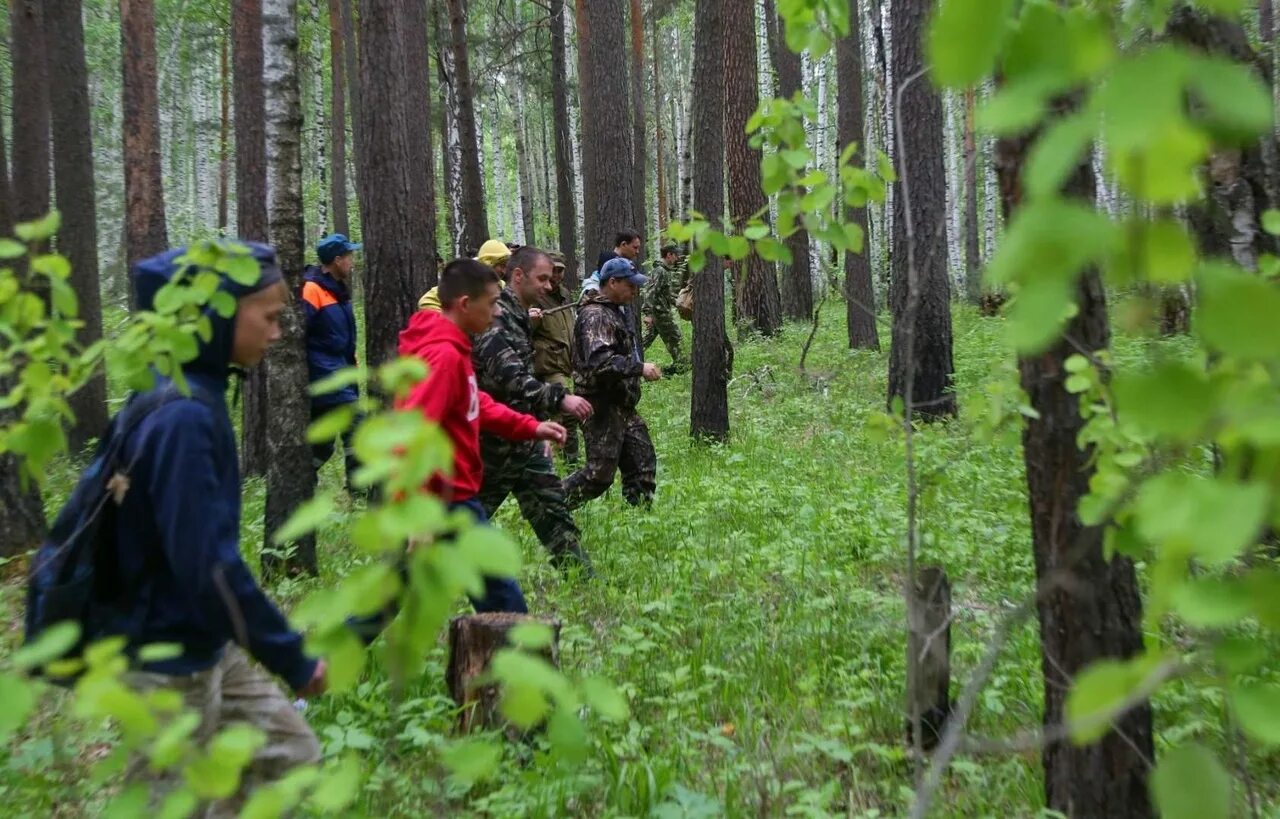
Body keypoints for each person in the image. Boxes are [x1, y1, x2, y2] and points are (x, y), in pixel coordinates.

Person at [100, 243, 323, 812]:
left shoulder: (195, 394)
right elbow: (206, 564)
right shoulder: (182, 417)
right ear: (220, 313)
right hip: (163, 651)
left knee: (287, 756)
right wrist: (290, 657)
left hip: (203, 638)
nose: (277, 334)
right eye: (268, 317)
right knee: (174, 800)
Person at [398, 258, 568, 612]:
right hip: (444, 500)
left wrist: (531, 426)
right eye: (491, 304)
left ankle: (332, 652)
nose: (495, 314)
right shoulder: (444, 356)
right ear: (464, 305)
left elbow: (479, 404)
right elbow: (413, 430)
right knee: (504, 600)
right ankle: (514, 657)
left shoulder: (456, 348)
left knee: (395, 589)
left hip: (455, 495)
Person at [472, 246, 595, 575]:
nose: (548, 285)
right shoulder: (495, 319)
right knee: (464, 521)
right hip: (492, 444)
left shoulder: (520, 317)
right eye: (541, 278)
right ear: (517, 276)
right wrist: (559, 399)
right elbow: (510, 377)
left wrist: (537, 427)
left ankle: (580, 576)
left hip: (524, 441)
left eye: (550, 278)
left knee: (552, 508)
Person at [562, 257, 662, 508]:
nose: (635, 291)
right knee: (598, 475)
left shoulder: (613, 311)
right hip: (601, 405)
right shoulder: (595, 315)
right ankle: (551, 504)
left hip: (622, 403)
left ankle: (639, 520)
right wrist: (639, 368)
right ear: (613, 282)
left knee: (642, 463)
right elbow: (601, 363)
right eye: (630, 285)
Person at [302, 233, 363, 491]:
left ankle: (301, 481)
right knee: (357, 423)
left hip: (340, 368)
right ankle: (359, 490)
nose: (352, 261)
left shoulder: (338, 290)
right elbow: (299, 333)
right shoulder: (312, 289)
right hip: (324, 372)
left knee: (324, 445)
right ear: (337, 260)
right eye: (349, 256)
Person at [532, 251, 581, 463]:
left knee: (560, 412)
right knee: (566, 410)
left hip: (566, 362)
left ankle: (560, 456)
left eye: (560, 270)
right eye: (553, 270)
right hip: (547, 365)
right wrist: (531, 320)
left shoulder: (564, 294)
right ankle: (569, 460)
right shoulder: (536, 295)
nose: (556, 275)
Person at [418, 238, 512, 312]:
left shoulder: (501, 286)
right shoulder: (465, 281)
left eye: (506, 266)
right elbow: (426, 301)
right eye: (501, 266)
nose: (504, 271)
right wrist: (451, 325)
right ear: (489, 263)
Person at [642, 244, 688, 374]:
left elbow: (665, 294)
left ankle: (631, 359)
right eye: (676, 255)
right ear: (669, 255)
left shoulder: (665, 271)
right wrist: (648, 313)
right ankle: (680, 366)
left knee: (646, 340)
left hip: (660, 313)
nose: (677, 258)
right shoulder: (660, 271)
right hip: (660, 314)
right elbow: (651, 292)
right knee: (675, 338)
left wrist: (679, 302)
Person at [580, 230, 642, 297]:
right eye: (635, 247)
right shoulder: (609, 259)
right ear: (623, 244)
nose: (637, 251)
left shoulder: (624, 262)